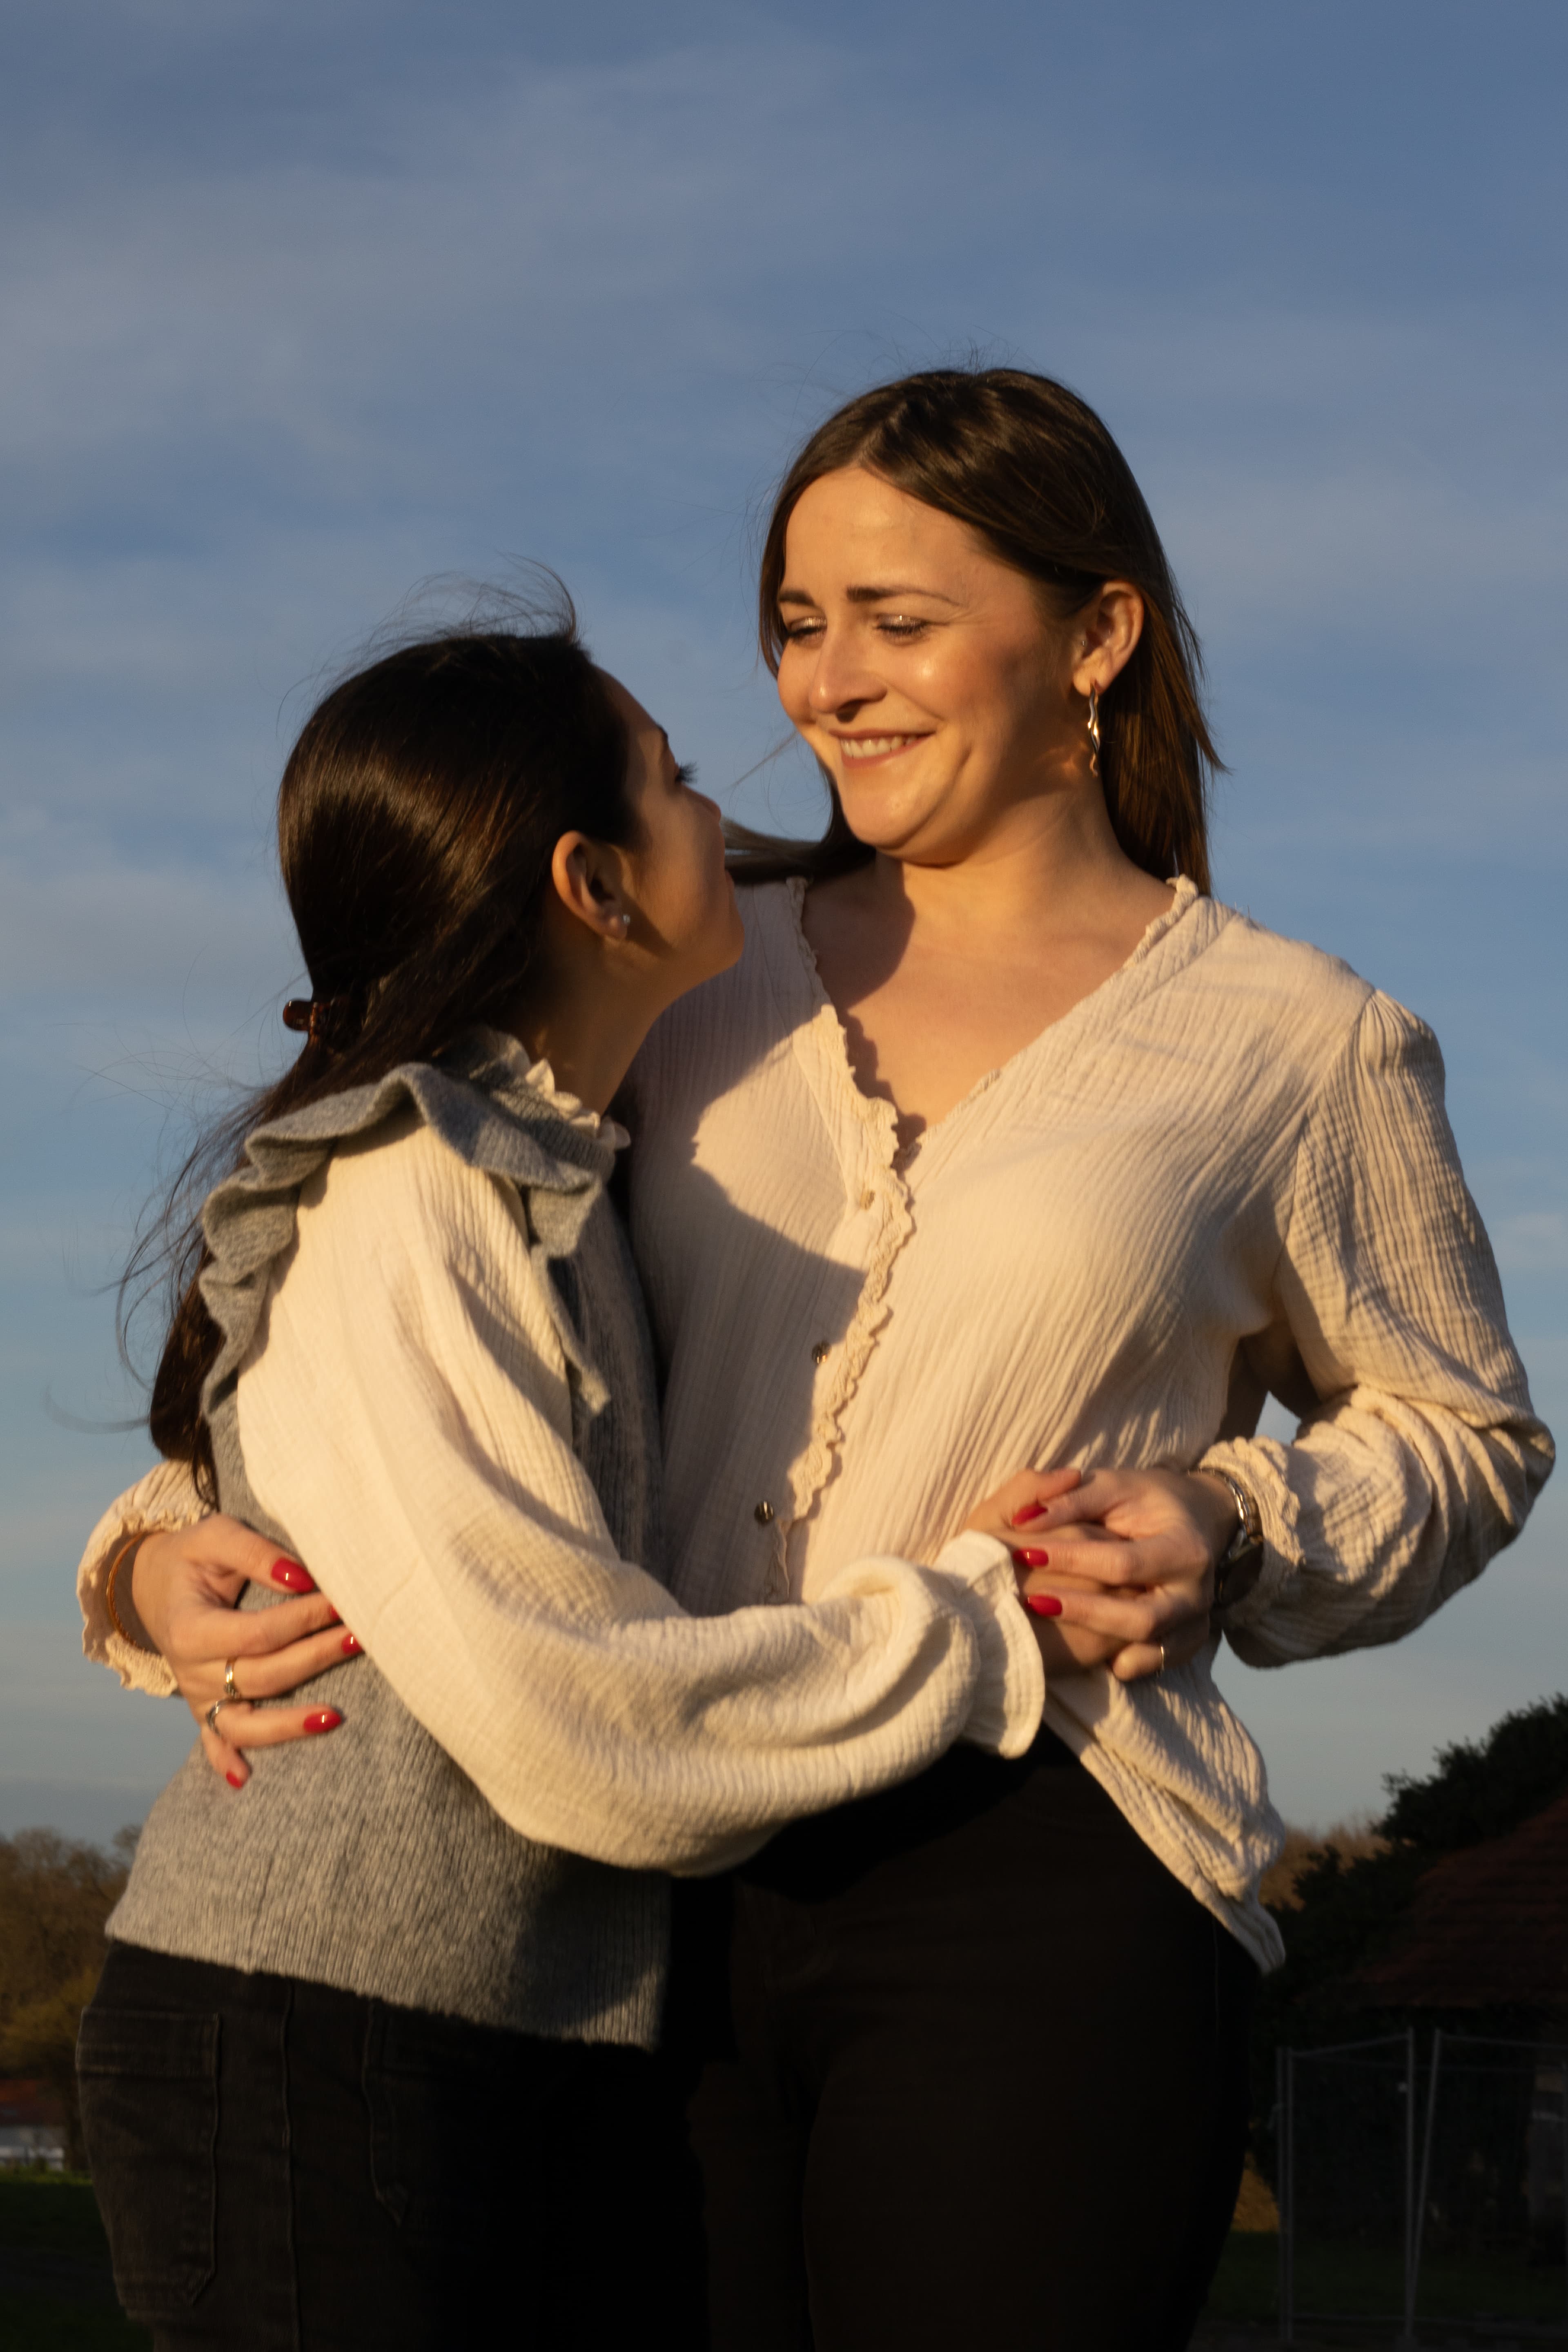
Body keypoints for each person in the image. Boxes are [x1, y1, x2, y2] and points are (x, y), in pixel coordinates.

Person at [80, 371, 1553, 2351]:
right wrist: (161, 1547)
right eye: (796, 623)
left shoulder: (1299, 1042)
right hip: (617, 1903)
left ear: (1097, 636)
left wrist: (1238, 1520)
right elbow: (420, 1288)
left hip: (1044, 1845)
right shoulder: (683, 943)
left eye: (900, 620)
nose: (828, 686)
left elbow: (1468, 1433)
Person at [72, 607, 1063, 2351]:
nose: (726, 813)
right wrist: (985, 1616)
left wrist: (145, 1561)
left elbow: (271, 1476)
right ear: (595, 890)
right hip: (315, 2032)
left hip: (488, 2038)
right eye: (674, 784)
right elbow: (578, 1731)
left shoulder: (554, 1170)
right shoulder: (412, 1185)